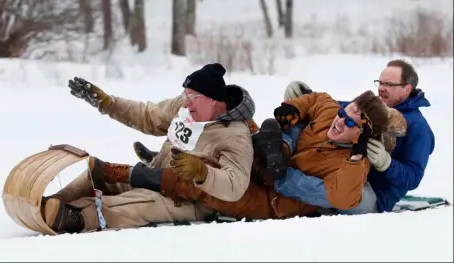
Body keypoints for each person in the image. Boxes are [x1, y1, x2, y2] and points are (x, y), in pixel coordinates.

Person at [42, 63, 267, 234]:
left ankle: (76, 217)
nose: (186, 103)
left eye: (192, 98)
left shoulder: (235, 135)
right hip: (156, 174)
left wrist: (203, 173)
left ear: (213, 100)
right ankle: (55, 201)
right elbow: (148, 116)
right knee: (98, 173)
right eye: (185, 97)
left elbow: (235, 185)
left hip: (190, 199)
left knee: (136, 205)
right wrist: (107, 103)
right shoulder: (185, 109)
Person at [133, 89, 391, 221]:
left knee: (214, 186)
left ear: (362, 136)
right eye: (344, 113)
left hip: (277, 197)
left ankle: (150, 176)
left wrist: (280, 176)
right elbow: (317, 100)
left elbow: (341, 196)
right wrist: (292, 109)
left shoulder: (352, 166)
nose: (340, 121)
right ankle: (172, 155)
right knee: (233, 122)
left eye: (349, 123)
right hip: (273, 159)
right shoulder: (330, 112)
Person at [278, 59, 434, 214]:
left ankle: (282, 179)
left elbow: (413, 178)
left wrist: (386, 164)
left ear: (407, 88)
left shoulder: (419, 128)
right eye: (380, 83)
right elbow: (342, 108)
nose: (381, 88)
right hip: (342, 169)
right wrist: (303, 97)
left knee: (348, 195)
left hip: (370, 194)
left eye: (389, 85)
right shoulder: (377, 107)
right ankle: (277, 149)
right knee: (307, 119)